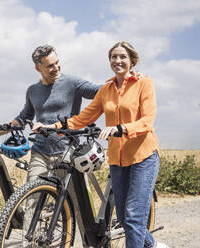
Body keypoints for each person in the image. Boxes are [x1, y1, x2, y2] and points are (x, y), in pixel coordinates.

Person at [33, 41, 168, 248]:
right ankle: (155, 246)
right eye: (114, 57)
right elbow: (82, 118)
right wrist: (52, 127)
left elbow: (147, 121)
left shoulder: (144, 83)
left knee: (133, 218)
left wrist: (120, 128)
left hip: (144, 157)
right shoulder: (106, 89)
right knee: (124, 220)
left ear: (132, 61)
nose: (118, 61)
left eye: (123, 57)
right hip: (118, 159)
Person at [0, 44, 100, 245]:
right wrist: (0, 130)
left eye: (57, 63)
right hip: (40, 151)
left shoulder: (72, 82)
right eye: (50, 66)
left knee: (78, 203)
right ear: (38, 68)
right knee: (32, 196)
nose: (56, 68)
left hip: (67, 152)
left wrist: (122, 81)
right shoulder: (33, 90)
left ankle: (89, 243)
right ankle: (30, 243)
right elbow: (24, 117)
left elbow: (97, 91)